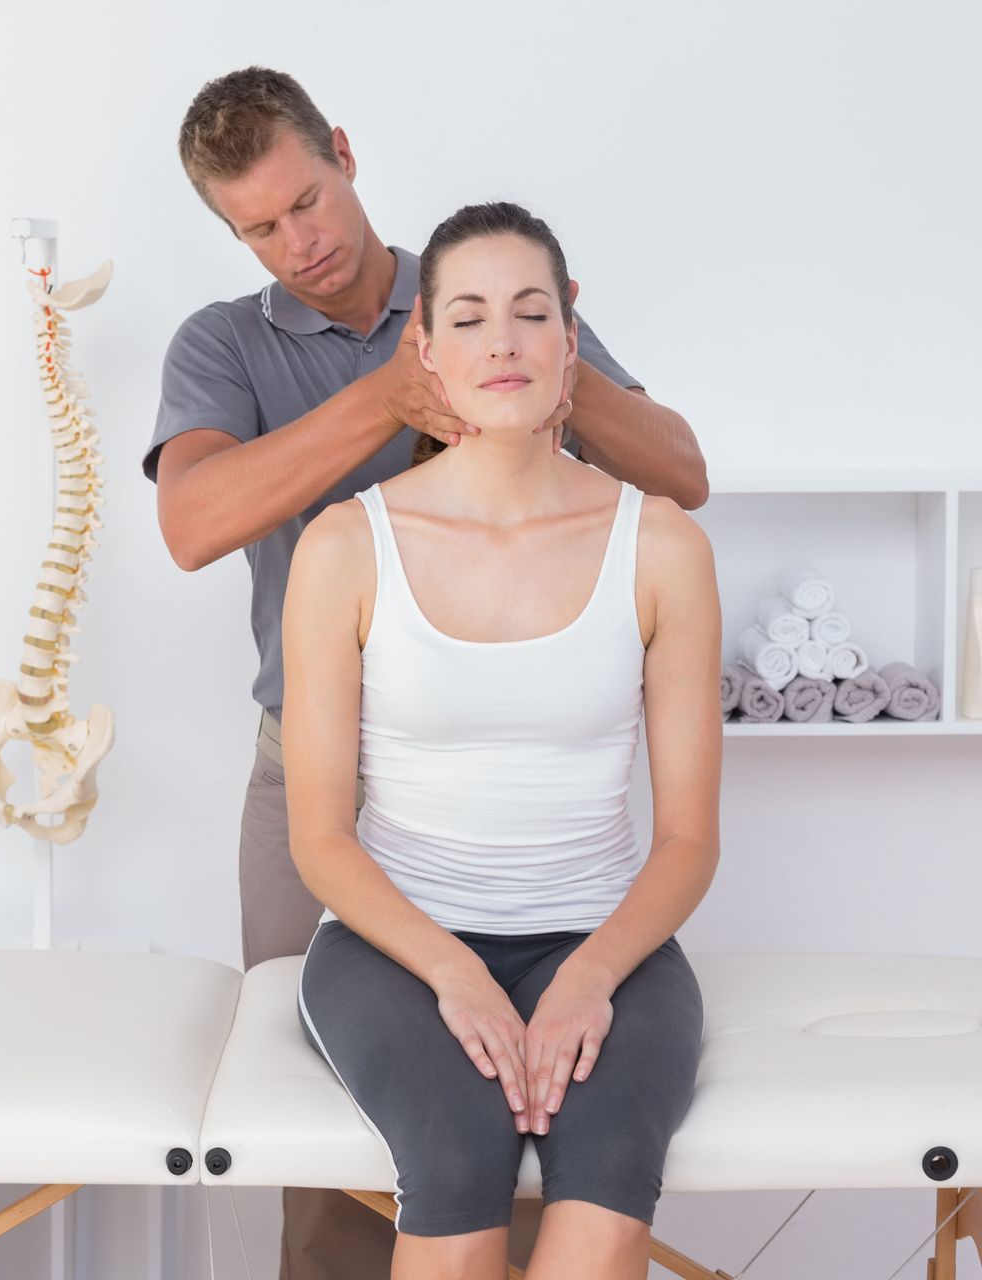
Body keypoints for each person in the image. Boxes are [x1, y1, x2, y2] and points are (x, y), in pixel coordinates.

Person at [146, 66, 709, 1278]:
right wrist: (390, 393)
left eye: (306, 202)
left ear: (344, 153)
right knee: (346, 1159)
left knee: (536, 1142)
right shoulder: (227, 346)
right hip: (322, 782)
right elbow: (193, 524)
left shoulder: (483, 288)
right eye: (258, 228)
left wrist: (506, 346)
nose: (296, 242)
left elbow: (677, 467)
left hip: (542, 792)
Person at [281, 203, 722, 1280]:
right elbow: (321, 838)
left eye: (531, 312)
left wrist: (588, 975)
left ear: (572, 337)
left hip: (607, 939)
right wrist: (456, 972)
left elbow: (688, 839)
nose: (504, 342)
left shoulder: (661, 544)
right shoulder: (348, 545)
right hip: (396, 946)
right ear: (424, 349)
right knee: (456, 1148)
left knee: (612, 1155)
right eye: (470, 317)